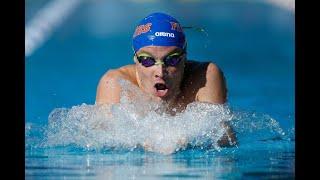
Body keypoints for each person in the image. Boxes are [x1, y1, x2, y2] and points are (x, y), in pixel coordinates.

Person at [95, 12, 236, 148]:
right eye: (147, 60)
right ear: (135, 59)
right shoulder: (115, 83)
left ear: (184, 57)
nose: (160, 72)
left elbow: (225, 139)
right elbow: (103, 141)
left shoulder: (204, 76)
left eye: (172, 59)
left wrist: (187, 138)